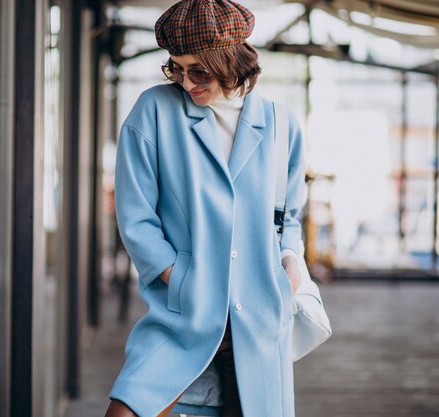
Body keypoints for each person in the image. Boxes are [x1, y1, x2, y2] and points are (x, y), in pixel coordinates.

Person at [104, 1, 306, 416]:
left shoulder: (282, 124)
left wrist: (291, 264)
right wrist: (180, 279)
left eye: (199, 70)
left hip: (258, 319)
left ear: (233, 60)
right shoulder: (154, 112)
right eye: (175, 69)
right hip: (183, 316)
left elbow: (290, 218)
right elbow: (135, 216)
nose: (186, 82)